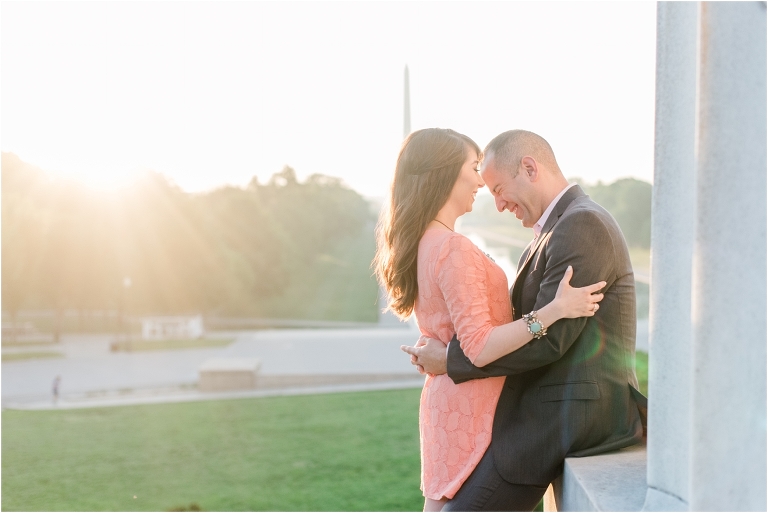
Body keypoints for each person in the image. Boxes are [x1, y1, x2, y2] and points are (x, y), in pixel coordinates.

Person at [403, 130, 646, 511]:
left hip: (572, 411)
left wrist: (451, 361)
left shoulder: (582, 225)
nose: (497, 204)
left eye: (499, 189)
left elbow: (551, 340)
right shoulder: (551, 231)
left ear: (529, 168)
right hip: (544, 408)